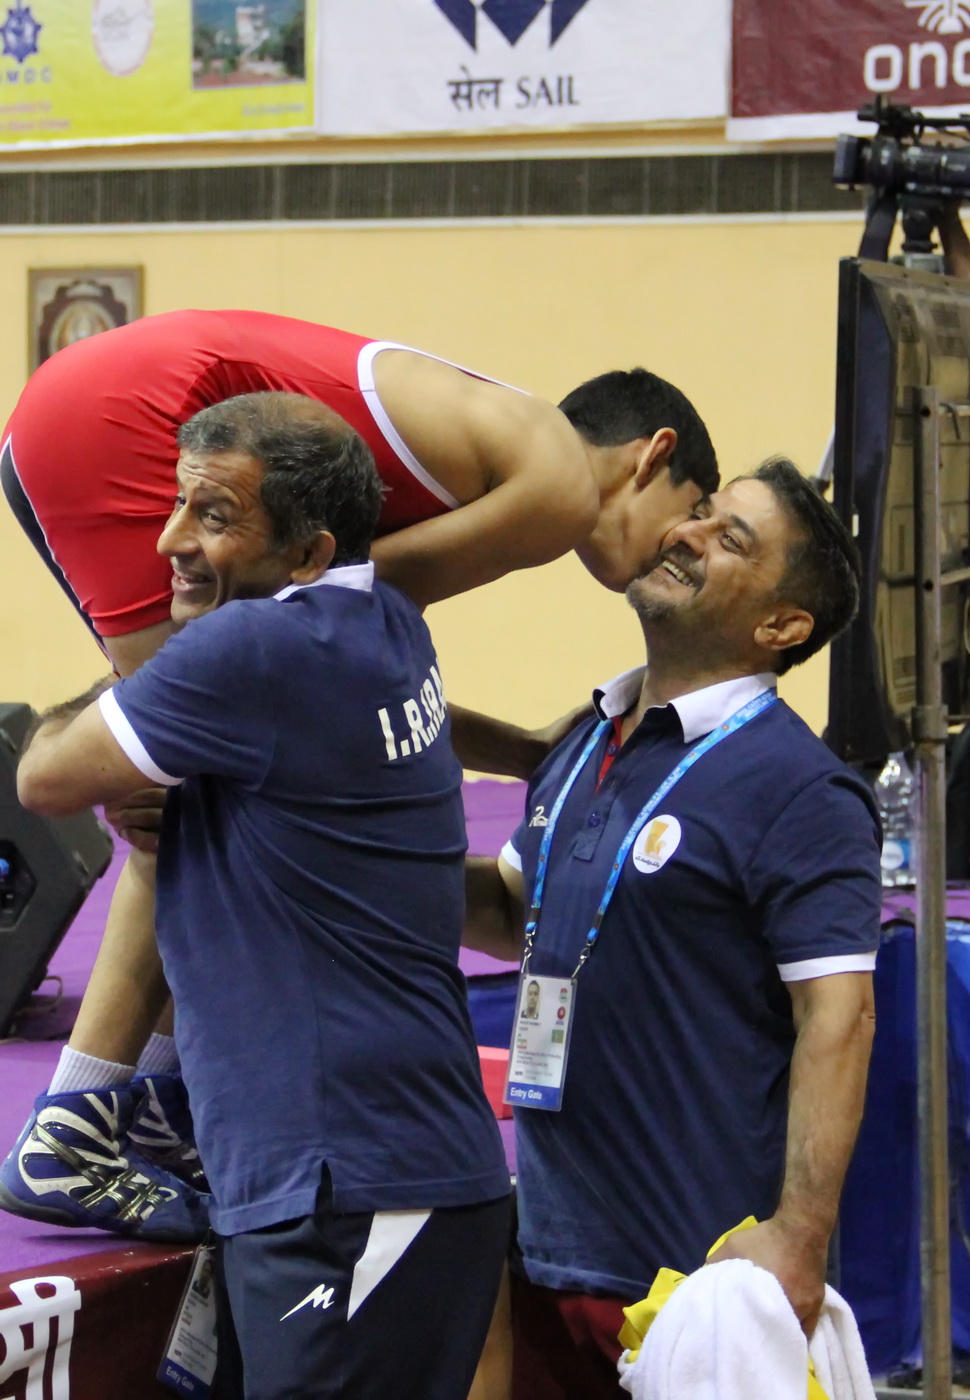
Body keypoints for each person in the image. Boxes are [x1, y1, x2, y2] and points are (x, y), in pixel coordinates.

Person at [0, 308, 718, 1238]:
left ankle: (159, 1106)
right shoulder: (558, 487)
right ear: (654, 455)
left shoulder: (511, 448)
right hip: (115, 414)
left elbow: (335, 668)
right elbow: (327, 641)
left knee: (211, 781)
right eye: (696, 515)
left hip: (90, 410)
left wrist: (521, 752)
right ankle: (74, 1124)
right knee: (183, 788)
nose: (683, 549)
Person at [10, 392, 514, 1400]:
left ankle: (89, 1111)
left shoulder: (248, 651)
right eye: (177, 505)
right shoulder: (384, 620)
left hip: (348, 1185)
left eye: (213, 516)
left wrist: (137, 683)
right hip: (386, 1165)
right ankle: (142, 1101)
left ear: (311, 552)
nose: (171, 541)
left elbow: (43, 776)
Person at [463, 459, 882, 1399]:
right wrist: (341, 854)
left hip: (688, 1290)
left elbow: (839, 1017)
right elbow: (513, 915)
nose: (685, 535)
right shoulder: (589, 739)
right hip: (545, 1256)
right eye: (701, 514)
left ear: (782, 627)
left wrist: (800, 1236)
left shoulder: (801, 787)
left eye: (730, 538)